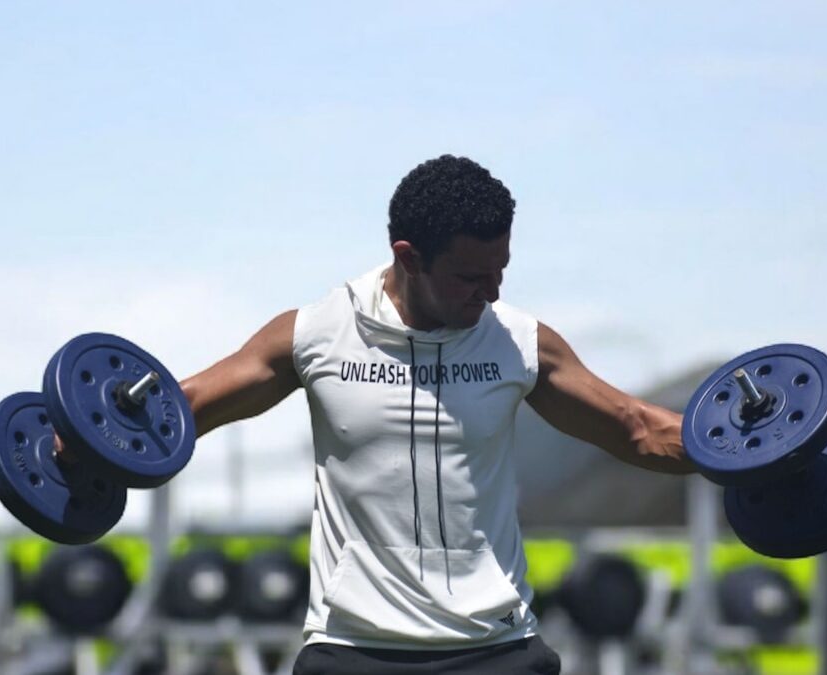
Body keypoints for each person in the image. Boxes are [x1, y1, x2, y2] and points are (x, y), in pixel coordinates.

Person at [179, 155, 692, 674]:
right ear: (409, 257)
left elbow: (636, 428)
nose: (492, 292)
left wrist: (737, 454)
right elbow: (181, 412)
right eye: (470, 276)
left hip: (497, 649)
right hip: (353, 649)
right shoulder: (319, 335)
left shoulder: (516, 343)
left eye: (500, 271)